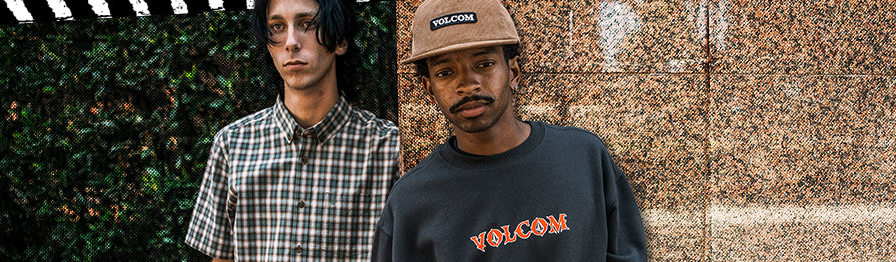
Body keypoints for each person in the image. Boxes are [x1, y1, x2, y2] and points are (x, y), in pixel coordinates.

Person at [371, 0, 647, 260]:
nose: (468, 84)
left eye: (484, 64)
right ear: (429, 89)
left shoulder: (584, 157)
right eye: (445, 72)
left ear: (514, 72)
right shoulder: (411, 202)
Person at [184, 0, 400, 260]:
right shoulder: (232, 144)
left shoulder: (389, 149)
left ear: (340, 40)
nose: (290, 42)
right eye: (276, 27)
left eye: (307, 24)